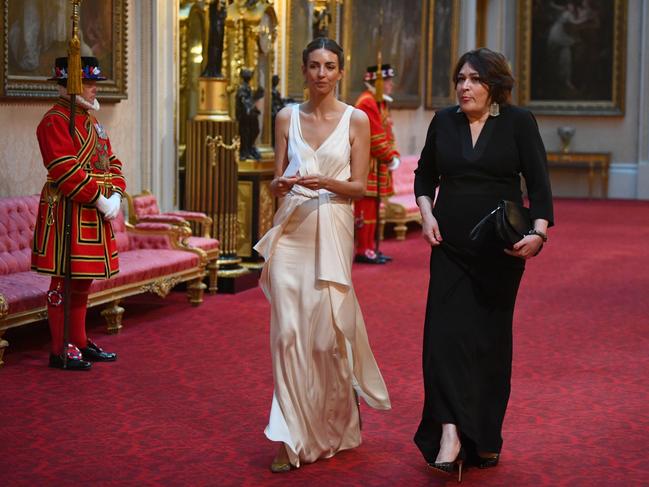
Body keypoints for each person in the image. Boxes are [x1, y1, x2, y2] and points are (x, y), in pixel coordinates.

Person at [412, 48, 553, 480]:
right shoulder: (444, 121)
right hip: (450, 246)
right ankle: (451, 431)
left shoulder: (518, 123)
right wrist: (427, 214)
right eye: (460, 79)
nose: (464, 87)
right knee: (443, 337)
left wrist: (540, 233)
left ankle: (485, 437)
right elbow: (424, 176)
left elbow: (540, 185)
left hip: (500, 251)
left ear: (494, 85)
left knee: (488, 342)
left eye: (473, 79)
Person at [254, 37, 391, 472]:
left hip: (331, 227)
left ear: (340, 71)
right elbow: (277, 179)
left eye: (330, 66)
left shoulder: (356, 120)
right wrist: (280, 185)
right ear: (304, 69)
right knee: (287, 336)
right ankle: (290, 436)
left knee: (325, 338)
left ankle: (337, 419)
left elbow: (360, 187)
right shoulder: (284, 117)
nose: (321, 74)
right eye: (314, 66)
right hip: (291, 231)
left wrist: (324, 183)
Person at [32, 56, 126, 371]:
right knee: (63, 279)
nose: (94, 87)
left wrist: (115, 194)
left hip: (92, 211)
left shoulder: (92, 122)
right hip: (66, 209)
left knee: (83, 280)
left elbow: (113, 163)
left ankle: (80, 342)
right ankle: (60, 348)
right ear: (70, 84)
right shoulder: (54, 120)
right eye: (88, 82)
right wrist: (98, 198)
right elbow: (63, 169)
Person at [353, 64, 401, 264]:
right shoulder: (367, 102)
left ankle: (371, 247)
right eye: (388, 82)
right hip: (368, 165)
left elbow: (389, 133)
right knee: (365, 209)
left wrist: (393, 153)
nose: (391, 85)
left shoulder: (379, 102)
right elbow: (375, 137)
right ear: (378, 83)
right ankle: (363, 249)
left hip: (378, 165)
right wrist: (390, 157)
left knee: (374, 207)